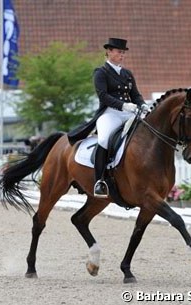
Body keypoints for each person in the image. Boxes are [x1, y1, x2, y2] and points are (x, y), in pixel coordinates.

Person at [67, 38, 150, 198]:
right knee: (104, 139)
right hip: (110, 113)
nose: (122, 55)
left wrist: (143, 105)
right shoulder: (101, 72)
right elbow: (103, 96)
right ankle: (99, 181)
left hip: (130, 113)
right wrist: (123, 105)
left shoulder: (127, 74)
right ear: (109, 52)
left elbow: (136, 95)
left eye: (123, 52)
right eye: (119, 52)